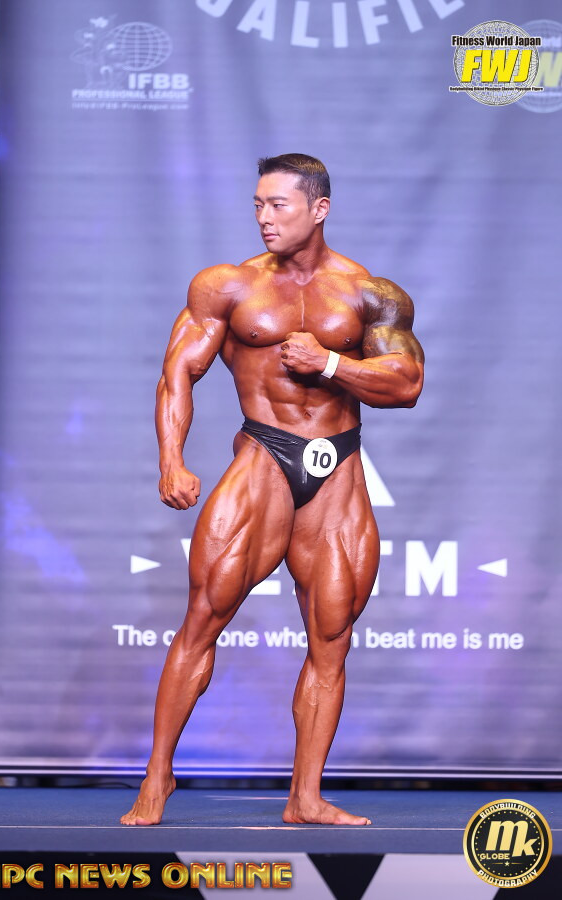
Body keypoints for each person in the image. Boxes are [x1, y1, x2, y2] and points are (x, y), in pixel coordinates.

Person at [121, 153, 424, 827]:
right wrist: (171, 460)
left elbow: (406, 385)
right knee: (204, 615)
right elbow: (178, 373)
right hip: (264, 454)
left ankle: (305, 797)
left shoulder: (371, 293)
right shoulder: (227, 286)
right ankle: (157, 776)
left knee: (332, 634)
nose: (264, 217)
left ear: (319, 209)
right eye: (258, 204)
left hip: (338, 466)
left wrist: (332, 363)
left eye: (278, 205)